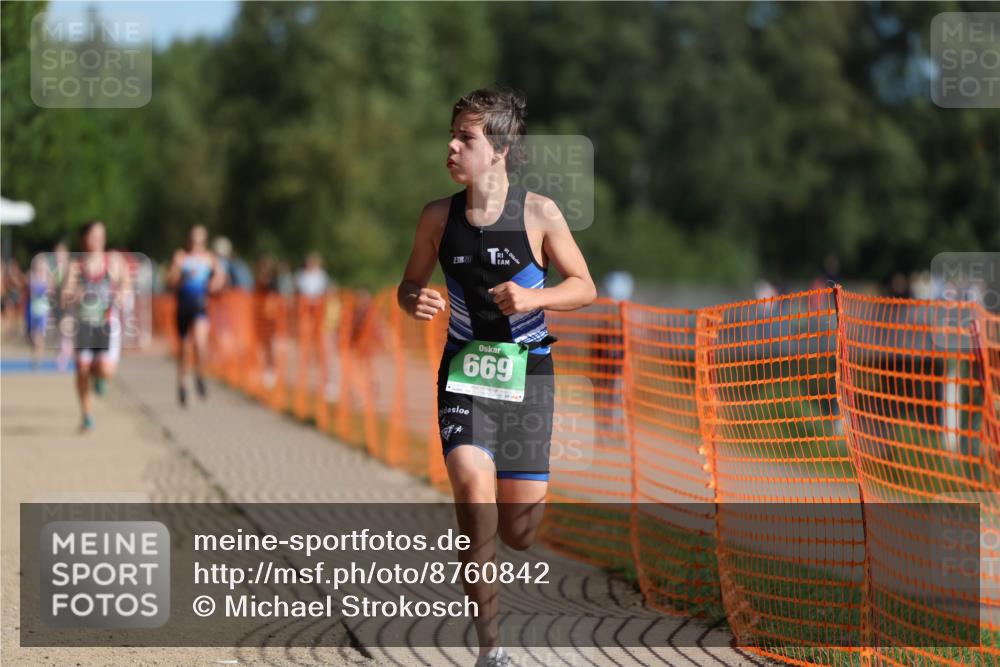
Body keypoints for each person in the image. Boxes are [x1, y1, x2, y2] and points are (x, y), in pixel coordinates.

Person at [396, 86, 596, 667]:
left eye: (467, 137)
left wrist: (538, 298)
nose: (452, 146)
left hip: (528, 378)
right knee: (472, 490)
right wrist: (416, 300)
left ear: (502, 148)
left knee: (520, 533)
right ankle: (492, 649)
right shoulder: (437, 217)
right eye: (453, 134)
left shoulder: (539, 213)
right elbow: (408, 285)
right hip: (465, 373)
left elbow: (584, 286)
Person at [60, 220, 131, 431]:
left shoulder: (114, 261)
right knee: (82, 369)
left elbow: (127, 282)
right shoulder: (75, 266)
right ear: (84, 239)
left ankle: (100, 378)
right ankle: (87, 415)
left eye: (101, 234)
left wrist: (121, 294)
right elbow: (64, 295)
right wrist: (75, 294)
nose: (98, 239)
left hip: (107, 325)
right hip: (84, 325)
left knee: (104, 370)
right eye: (94, 235)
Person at [167, 225, 225, 406]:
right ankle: (182, 383)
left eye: (199, 240)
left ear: (204, 240)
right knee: (184, 348)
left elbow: (220, 277)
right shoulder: (181, 257)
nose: (195, 243)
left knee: (200, 344)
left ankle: (200, 375)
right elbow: (170, 280)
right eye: (193, 239)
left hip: (200, 306)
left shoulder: (209, 258)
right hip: (183, 305)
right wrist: (179, 275)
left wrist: (213, 285)